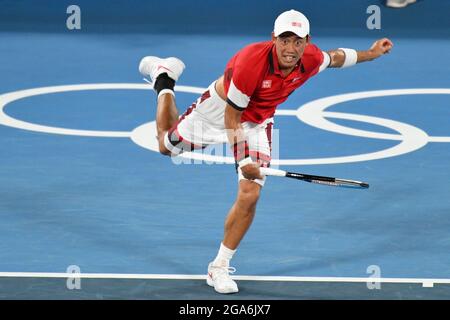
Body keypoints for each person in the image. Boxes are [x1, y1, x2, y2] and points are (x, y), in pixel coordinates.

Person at [138, 9, 393, 294]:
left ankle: (219, 266)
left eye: (298, 41)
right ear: (274, 38)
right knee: (165, 145)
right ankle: (164, 79)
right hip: (218, 112)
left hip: (257, 123)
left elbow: (336, 58)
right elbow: (231, 119)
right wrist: (244, 160)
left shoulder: (309, 58)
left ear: (307, 41)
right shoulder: (251, 63)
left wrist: (372, 53)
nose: (291, 48)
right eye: (285, 40)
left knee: (250, 193)